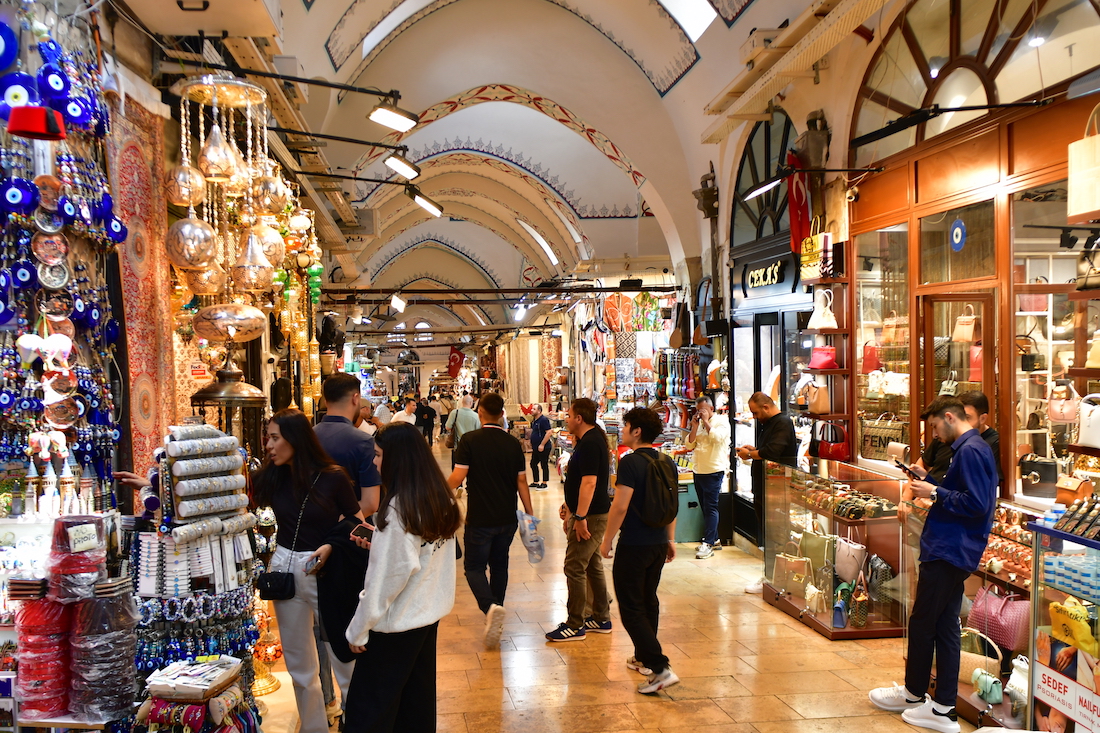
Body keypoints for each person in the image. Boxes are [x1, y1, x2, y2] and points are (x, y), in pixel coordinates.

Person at [869, 396, 997, 733]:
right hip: (950, 548)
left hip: (949, 549)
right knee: (943, 625)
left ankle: (918, 696)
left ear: (950, 417)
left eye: (937, 426)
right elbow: (967, 497)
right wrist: (934, 485)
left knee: (925, 620)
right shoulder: (969, 448)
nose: (936, 435)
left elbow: (977, 504)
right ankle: (940, 706)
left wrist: (935, 492)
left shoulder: (970, 450)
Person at [344, 423, 462, 732]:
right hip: (426, 618)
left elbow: (384, 583)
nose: (374, 462)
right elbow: (422, 558)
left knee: (369, 713)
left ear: (396, 459)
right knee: (415, 708)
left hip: (394, 627)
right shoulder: (438, 499)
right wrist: (382, 545)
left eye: (378, 455)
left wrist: (358, 630)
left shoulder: (399, 511)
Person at [252, 409, 364, 733]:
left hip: (325, 569)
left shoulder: (332, 477)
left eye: (275, 438)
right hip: (285, 569)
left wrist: (331, 545)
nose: (269, 445)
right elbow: (230, 494)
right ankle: (313, 727)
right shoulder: (272, 476)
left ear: (295, 439)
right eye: (268, 438)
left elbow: (355, 522)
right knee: (299, 665)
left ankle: (357, 722)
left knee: (342, 655)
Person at [600, 407, 680, 694]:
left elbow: (620, 506)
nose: (622, 431)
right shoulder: (667, 462)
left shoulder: (630, 463)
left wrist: (607, 539)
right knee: (648, 601)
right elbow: (672, 505)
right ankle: (644, 659)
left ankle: (659, 667)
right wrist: (670, 539)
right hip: (658, 543)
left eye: (626, 426)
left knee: (631, 607)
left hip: (634, 543)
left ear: (636, 431)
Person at [447, 392, 534, 646]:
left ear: (480, 412)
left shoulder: (470, 441)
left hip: (480, 517)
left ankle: (490, 608)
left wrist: (435, 493)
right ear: (502, 414)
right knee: (499, 565)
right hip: (507, 517)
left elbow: (457, 477)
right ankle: (498, 610)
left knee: (474, 567)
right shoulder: (513, 443)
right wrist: (529, 512)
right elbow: (521, 481)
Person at [546, 397, 613, 642]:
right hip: (589, 513)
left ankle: (575, 624)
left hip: (591, 516)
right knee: (592, 565)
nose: (565, 418)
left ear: (579, 418)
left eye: (569, 414)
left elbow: (590, 483)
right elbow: (579, 481)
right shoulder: (589, 440)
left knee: (574, 566)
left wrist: (581, 516)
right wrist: (570, 505)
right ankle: (601, 618)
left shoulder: (591, 442)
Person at [736, 392, 796, 594]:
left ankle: (775, 580)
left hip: (776, 489)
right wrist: (754, 450)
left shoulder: (782, 422)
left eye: (756, 412)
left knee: (776, 535)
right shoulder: (771, 423)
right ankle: (772, 578)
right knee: (770, 534)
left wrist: (751, 454)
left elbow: (772, 452)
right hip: (767, 487)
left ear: (766, 407)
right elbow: (769, 450)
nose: (754, 417)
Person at [314, 373, 382, 517]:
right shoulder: (363, 441)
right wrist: (336, 521)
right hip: (350, 528)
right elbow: (370, 504)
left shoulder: (308, 437)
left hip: (308, 526)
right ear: (355, 398)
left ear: (326, 401)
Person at [686, 395, 731, 559]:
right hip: (698, 469)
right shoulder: (698, 424)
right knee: (705, 507)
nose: (700, 413)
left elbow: (717, 439)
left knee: (711, 507)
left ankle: (709, 543)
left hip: (714, 470)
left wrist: (706, 422)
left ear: (711, 408)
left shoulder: (722, 422)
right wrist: (694, 427)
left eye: (703, 410)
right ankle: (715, 539)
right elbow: (689, 444)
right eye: (698, 410)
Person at [959, 391, 1002, 482]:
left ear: (982, 418)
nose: (961, 423)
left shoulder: (993, 442)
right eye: (959, 417)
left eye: (967, 418)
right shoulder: (950, 436)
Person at [528, 404, 553, 490]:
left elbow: (549, 432)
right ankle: (536, 482)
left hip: (544, 447)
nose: (532, 410)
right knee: (533, 463)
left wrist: (542, 444)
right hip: (536, 447)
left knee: (544, 464)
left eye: (534, 409)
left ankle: (544, 483)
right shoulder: (535, 420)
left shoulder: (543, 420)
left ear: (539, 411)